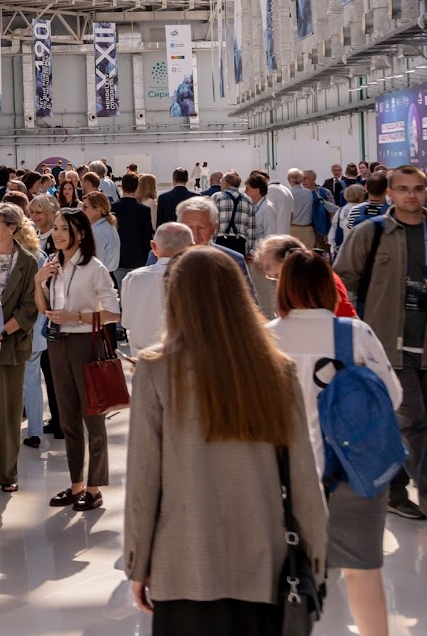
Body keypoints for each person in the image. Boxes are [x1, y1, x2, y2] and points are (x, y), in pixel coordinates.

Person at [125, 247, 326, 635]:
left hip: (182, 559)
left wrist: (138, 561)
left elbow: (143, 480)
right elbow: (303, 475)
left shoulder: (155, 369)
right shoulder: (277, 369)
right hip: (263, 561)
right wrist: (315, 559)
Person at [268, 249, 399, 636]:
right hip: (352, 471)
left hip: (284, 477)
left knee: (287, 575)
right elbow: (392, 397)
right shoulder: (355, 333)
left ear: (283, 288)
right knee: (363, 575)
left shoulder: (265, 336)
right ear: (329, 286)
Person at [335, 163, 427, 520]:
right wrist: (354, 338)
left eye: (417, 188)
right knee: (414, 421)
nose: (411, 195)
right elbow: (342, 284)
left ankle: (394, 489)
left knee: (404, 424)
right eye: (403, 188)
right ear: (389, 192)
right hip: (389, 347)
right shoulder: (370, 233)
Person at [34, 206, 120, 511]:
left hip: (86, 342)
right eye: (55, 227)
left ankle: (94, 488)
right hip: (57, 341)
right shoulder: (52, 263)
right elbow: (42, 308)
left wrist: (77, 316)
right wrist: (38, 281)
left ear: (79, 234)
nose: (56, 234)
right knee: (67, 417)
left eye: (63, 229)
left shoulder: (94, 268)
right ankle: (76, 484)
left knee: (92, 417)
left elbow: (114, 312)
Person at [0, 203, 39, 492]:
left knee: (10, 411)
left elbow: (30, 308)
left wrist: (1, 333)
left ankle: (7, 474)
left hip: (11, 343)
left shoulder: (28, 262)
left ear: (12, 228)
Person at [120, 223, 193, 351]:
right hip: (184, 359)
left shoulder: (133, 278)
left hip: (143, 357)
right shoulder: (198, 279)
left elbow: (126, 322)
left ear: (153, 247)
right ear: (192, 247)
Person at [111, 174, 154, 283]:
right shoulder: (144, 210)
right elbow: (147, 236)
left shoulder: (113, 208)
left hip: (119, 259)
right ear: (137, 187)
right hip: (138, 259)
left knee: (121, 294)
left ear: (121, 186)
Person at [80, 191, 120, 273]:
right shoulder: (106, 226)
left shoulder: (98, 232)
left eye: (85, 207)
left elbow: (96, 264)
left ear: (97, 210)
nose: (82, 210)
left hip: (100, 277)